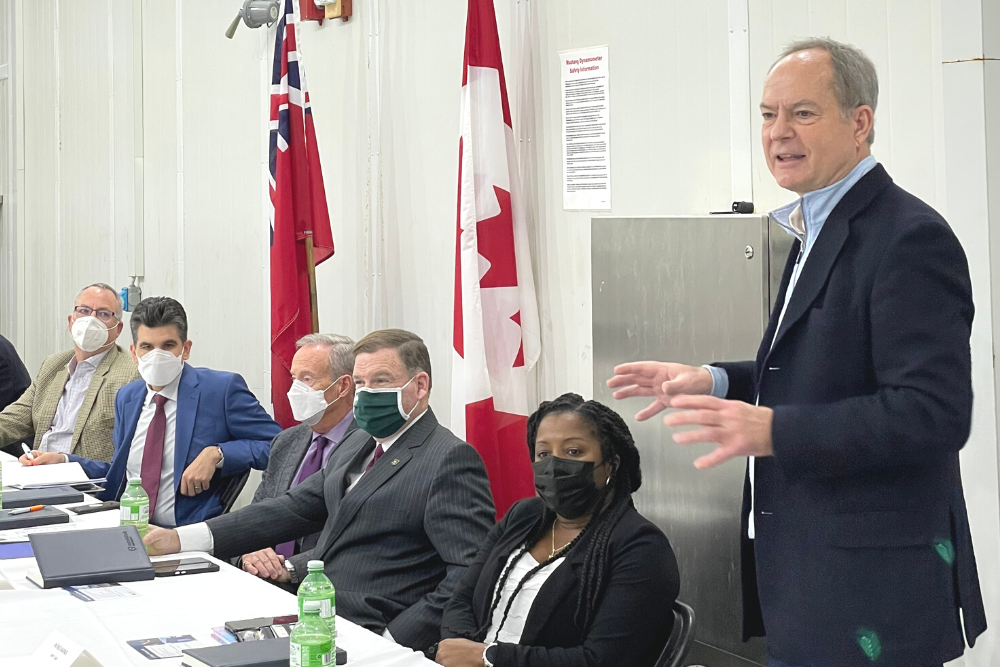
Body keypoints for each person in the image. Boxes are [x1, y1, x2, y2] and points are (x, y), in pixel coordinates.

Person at [607, 38, 985, 667]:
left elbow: (933, 413)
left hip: (872, 599)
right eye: (767, 114)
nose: (778, 132)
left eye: (802, 113)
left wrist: (777, 429)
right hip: (809, 582)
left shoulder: (909, 238)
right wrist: (715, 379)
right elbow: (823, 369)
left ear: (859, 122)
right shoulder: (815, 221)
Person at [143, 329, 496, 652]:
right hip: (312, 615)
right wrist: (179, 540)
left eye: (382, 381)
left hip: (371, 632)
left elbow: (469, 573)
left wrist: (395, 641)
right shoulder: (359, 441)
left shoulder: (449, 458)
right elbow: (293, 508)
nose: (368, 393)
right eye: (362, 383)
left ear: (420, 386)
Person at [435, 394, 679, 667]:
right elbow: (462, 598)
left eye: (573, 452)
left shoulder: (641, 547)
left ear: (611, 463)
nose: (554, 465)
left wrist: (487, 657)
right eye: (544, 454)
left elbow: (601, 661)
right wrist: (460, 649)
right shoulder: (522, 516)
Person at [22, 296, 280, 526]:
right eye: (147, 347)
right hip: (123, 525)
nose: (157, 355)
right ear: (134, 353)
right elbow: (123, 474)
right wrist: (64, 460)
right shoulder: (128, 397)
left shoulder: (220, 390)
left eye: (168, 346)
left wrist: (218, 453)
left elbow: (280, 445)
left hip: (184, 533)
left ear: (186, 349)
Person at [244, 333, 358, 561]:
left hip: (327, 582)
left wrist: (288, 569)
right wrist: (248, 552)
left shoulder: (368, 445)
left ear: (343, 385)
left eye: (307, 379)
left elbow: (358, 541)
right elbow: (255, 517)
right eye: (294, 378)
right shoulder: (286, 442)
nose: (295, 389)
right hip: (265, 581)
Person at [2, 283, 139, 462]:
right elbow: (14, 419)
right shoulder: (53, 365)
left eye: (103, 314)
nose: (91, 319)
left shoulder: (131, 375)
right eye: (83, 311)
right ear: (70, 321)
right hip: (36, 475)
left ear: (118, 329)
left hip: (87, 483)